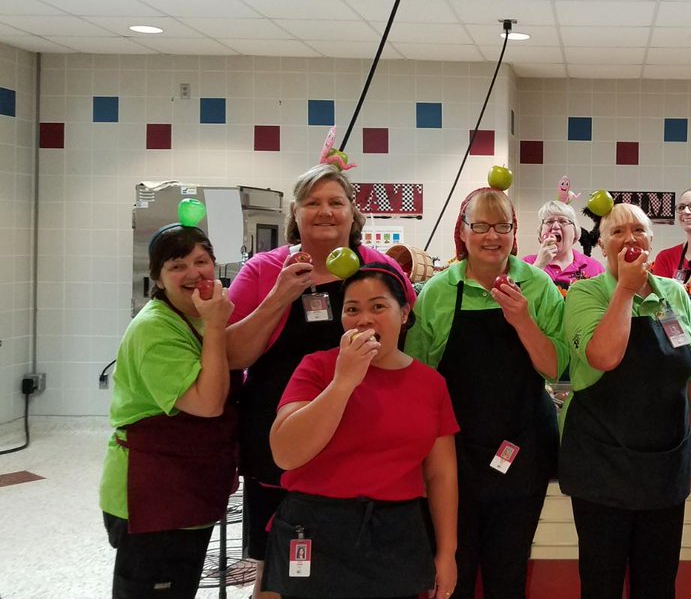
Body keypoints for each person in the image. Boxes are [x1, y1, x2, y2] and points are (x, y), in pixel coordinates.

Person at [226, 163, 414, 596]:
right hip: (279, 440)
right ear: (295, 212)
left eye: (335, 202)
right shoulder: (263, 270)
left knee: (350, 565)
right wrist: (278, 297)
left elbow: (406, 345)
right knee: (276, 568)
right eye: (312, 203)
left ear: (353, 212)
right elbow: (234, 355)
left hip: (360, 441)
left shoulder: (380, 268)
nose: (325, 211)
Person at [407, 188, 567, 599]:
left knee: (508, 572)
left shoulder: (538, 286)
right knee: (452, 573)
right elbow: (418, 381)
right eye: (480, 226)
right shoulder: (439, 292)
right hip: (453, 456)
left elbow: (555, 367)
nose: (492, 236)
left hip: (523, 450)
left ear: (515, 232)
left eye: (502, 226)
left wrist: (522, 320)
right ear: (462, 231)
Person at [264, 263, 458, 599]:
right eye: (352, 310)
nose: (364, 319)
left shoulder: (431, 384)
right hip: (316, 527)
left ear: (404, 313)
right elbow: (285, 453)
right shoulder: (318, 367)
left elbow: (441, 475)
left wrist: (447, 553)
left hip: (396, 532)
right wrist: (343, 383)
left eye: (378, 307)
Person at [560, 203, 691, 599]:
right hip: (601, 466)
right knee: (601, 583)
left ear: (651, 239)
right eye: (617, 231)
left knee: (658, 583)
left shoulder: (674, 294)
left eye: (638, 230)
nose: (629, 238)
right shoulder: (585, 293)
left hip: (665, 466)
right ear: (601, 243)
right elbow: (603, 356)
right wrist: (625, 289)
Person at [99, 224, 238, 598]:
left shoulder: (196, 314)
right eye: (177, 266)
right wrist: (216, 326)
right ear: (158, 278)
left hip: (187, 485)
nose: (194, 273)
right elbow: (208, 404)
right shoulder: (154, 329)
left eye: (201, 261)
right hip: (152, 493)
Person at [523, 199, 605, 292]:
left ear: (575, 232)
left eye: (563, 221)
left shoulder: (594, 268)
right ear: (541, 233)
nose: (555, 226)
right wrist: (539, 265)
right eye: (549, 221)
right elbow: (519, 296)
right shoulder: (526, 264)